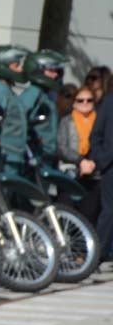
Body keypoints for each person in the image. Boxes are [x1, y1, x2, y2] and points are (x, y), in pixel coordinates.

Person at [58, 86, 100, 223]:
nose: (85, 103)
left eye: (89, 100)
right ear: (74, 102)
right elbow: (62, 147)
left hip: (94, 173)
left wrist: (92, 162)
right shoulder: (66, 121)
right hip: (71, 172)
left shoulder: (100, 121)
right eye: (80, 100)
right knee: (67, 214)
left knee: (89, 214)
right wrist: (80, 161)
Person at [21, 50, 67, 160]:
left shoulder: (45, 95)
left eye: (57, 71)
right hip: (34, 156)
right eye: (51, 70)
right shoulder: (32, 94)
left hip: (46, 156)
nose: (55, 75)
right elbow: (20, 122)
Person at [89, 80, 113, 258]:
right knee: (109, 211)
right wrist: (102, 158)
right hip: (110, 165)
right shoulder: (108, 103)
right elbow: (95, 135)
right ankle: (97, 254)